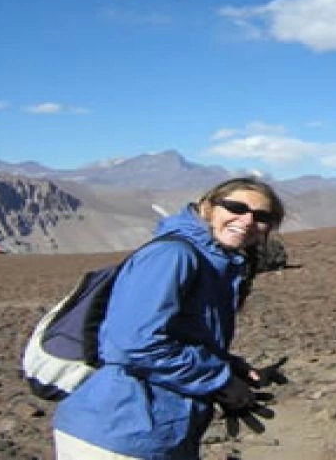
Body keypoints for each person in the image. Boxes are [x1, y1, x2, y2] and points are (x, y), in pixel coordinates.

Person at [52, 177, 285, 460]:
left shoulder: (212, 261)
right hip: (122, 430)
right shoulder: (173, 255)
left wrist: (230, 369)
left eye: (261, 216)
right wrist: (219, 379)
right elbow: (135, 344)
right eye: (236, 207)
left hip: (151, 429)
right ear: (207, 207)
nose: (247, 220)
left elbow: (180, 336)